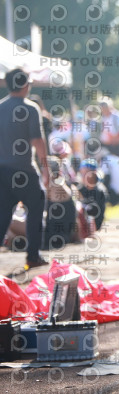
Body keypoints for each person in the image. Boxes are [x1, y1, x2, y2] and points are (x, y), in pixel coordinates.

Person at [0, 68, 49, 269]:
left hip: (2, 170)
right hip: (24, 170)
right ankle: (33, 256)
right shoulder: (30, 108)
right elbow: (38, 141)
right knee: (35, 208)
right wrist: (45, 169)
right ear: (25, 85)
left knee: (3, 214)